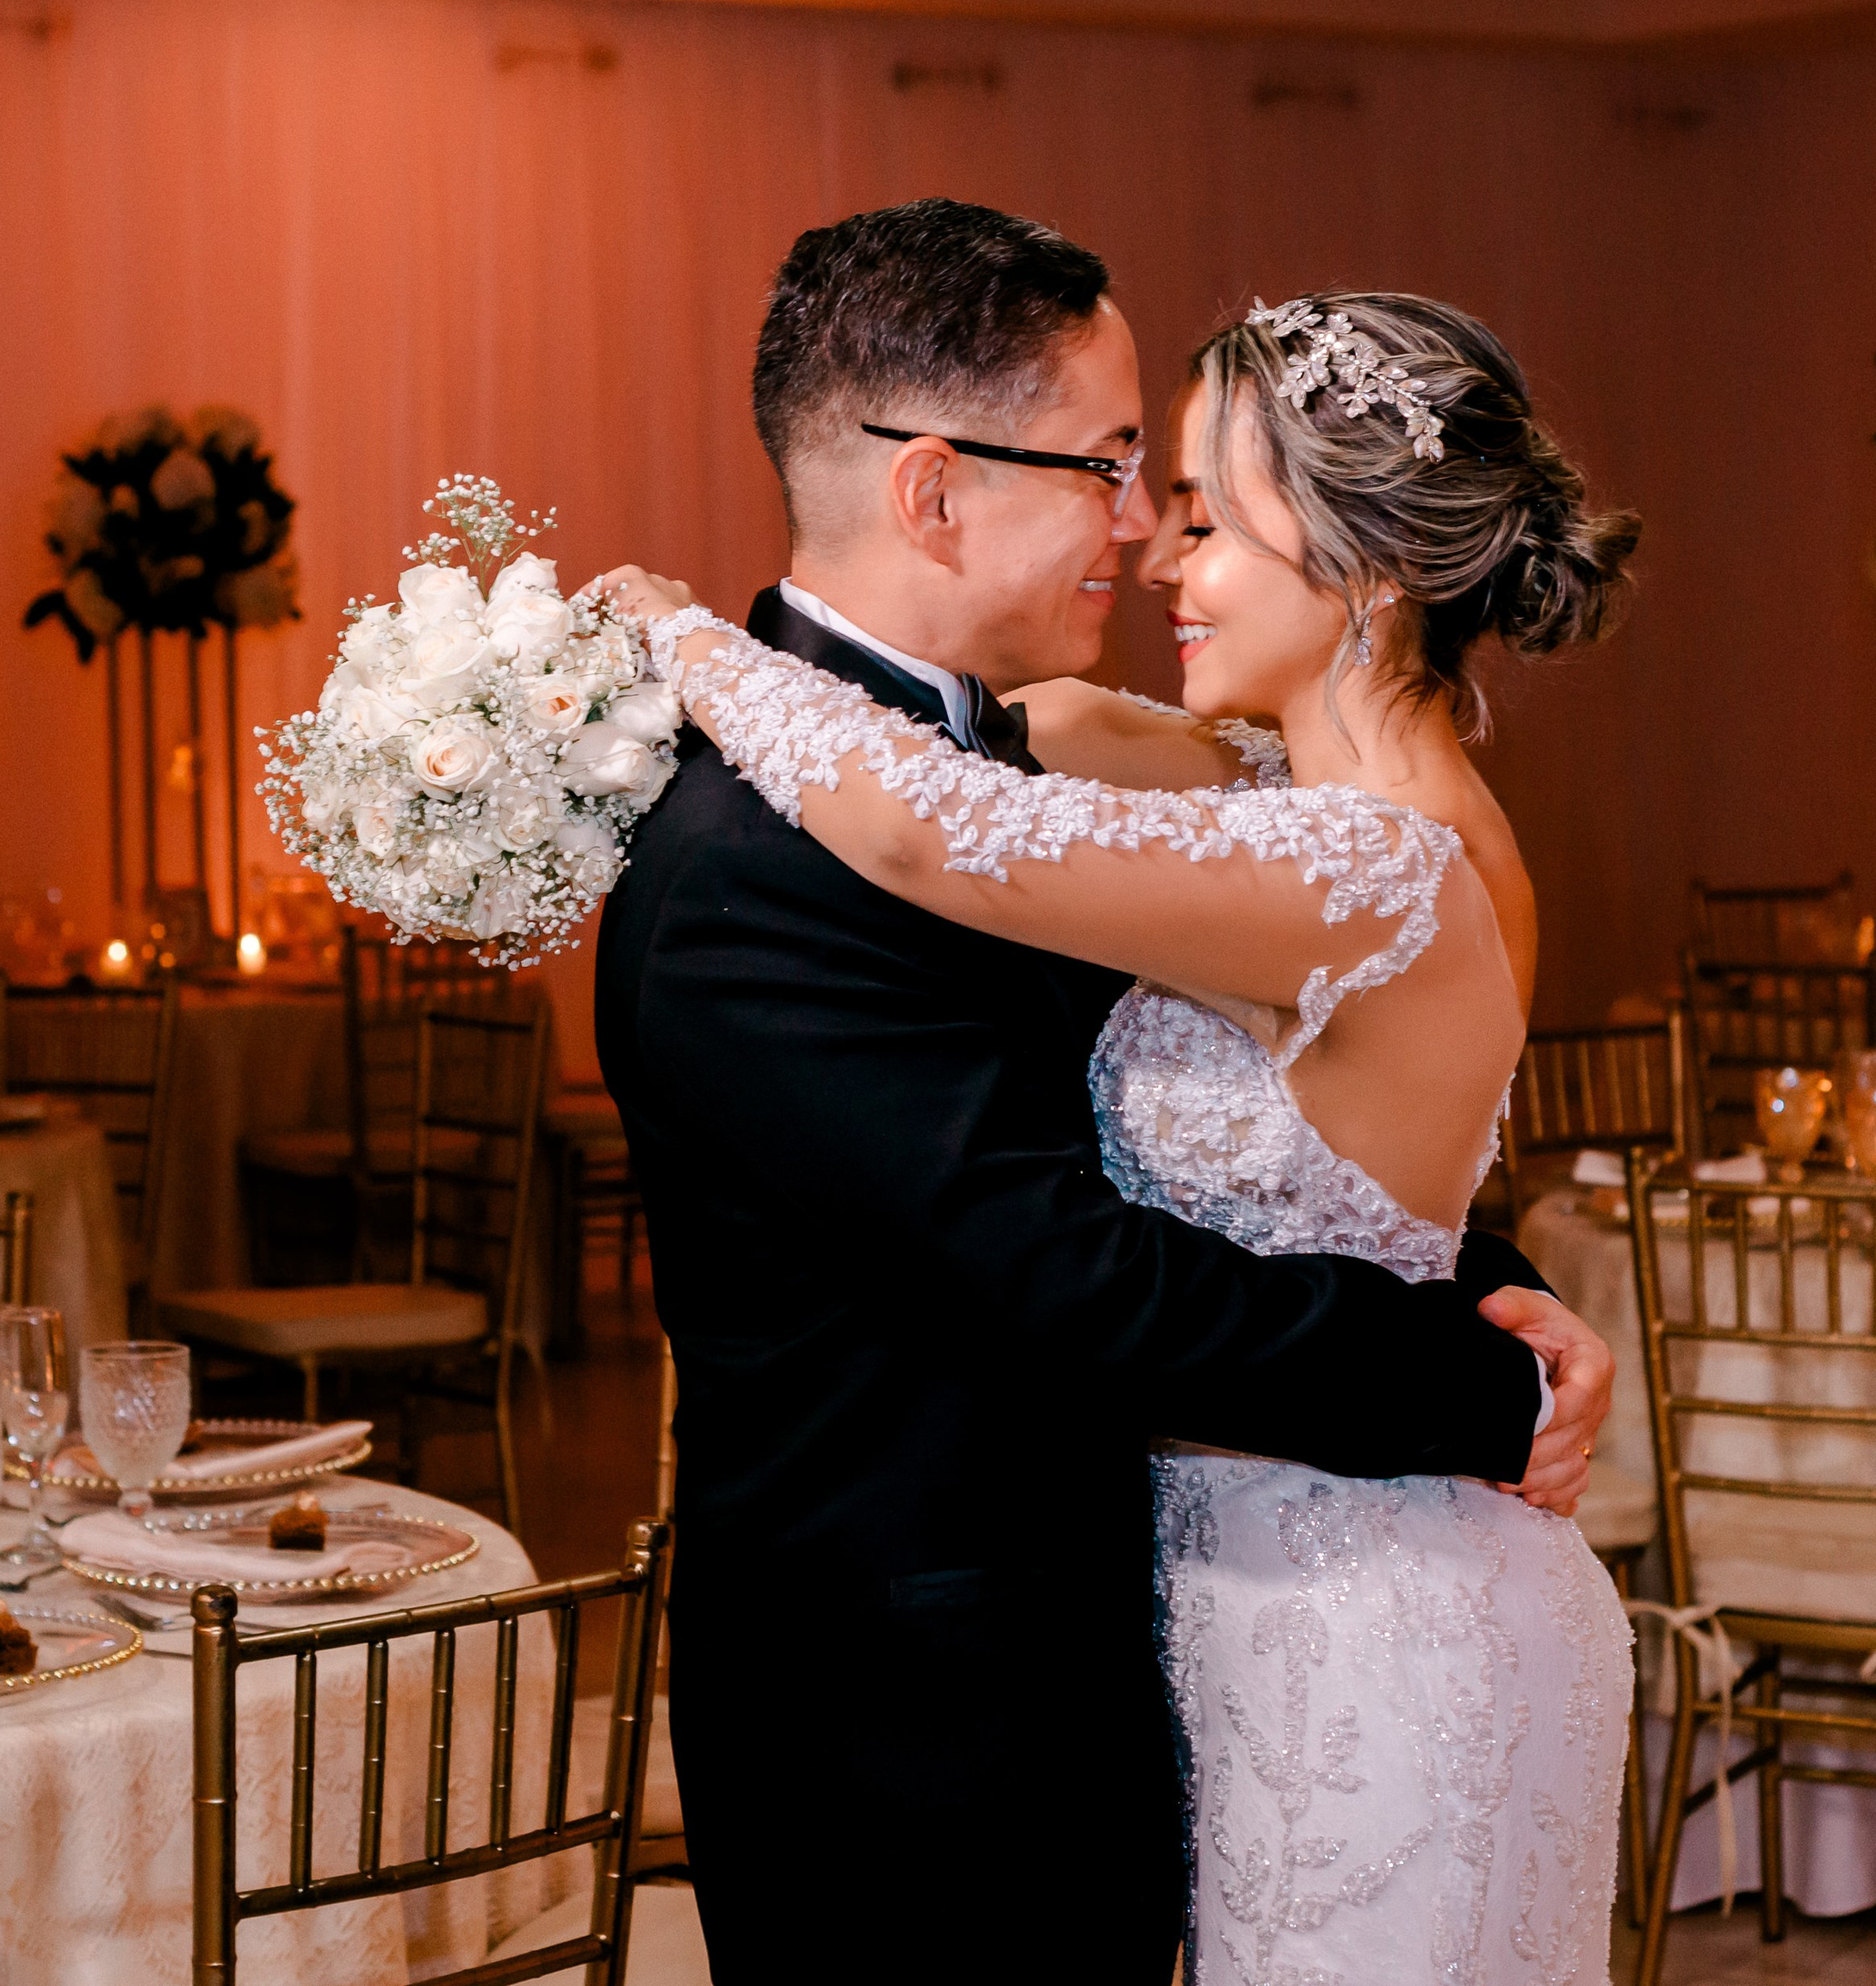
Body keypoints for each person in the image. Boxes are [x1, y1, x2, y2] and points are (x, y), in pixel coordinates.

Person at [592, 201, 1618, 1985]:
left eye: (1192, 503)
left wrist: (690, 641)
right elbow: (1066, 1267)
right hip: (914, 1725)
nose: (1146, 534)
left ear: (1358, 562)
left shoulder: (1247, 831)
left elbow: (969, 846)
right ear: (931, 490)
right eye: (1118, 470)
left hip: (1264, 1635)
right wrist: (1474, 1364)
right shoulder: (755, 865)